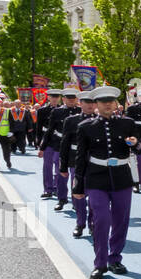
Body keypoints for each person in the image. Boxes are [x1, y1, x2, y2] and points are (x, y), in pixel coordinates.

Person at [71, 86, 141, 279]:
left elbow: (140, 147)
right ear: (96, 105)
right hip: (96, 178)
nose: (108, 104)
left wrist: (135, 143)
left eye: (111, 101)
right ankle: (100, 263)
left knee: (121, 220)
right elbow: (80, 158)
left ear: (116, 103)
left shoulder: (127, 123)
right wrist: (78, 187)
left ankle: (115, 258)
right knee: (102, 220)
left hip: (121, 177)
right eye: (104, 102)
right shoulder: (86, 126)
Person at [59, 91, 97, 237]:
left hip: (96, 163)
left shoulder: (101, 120)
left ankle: (93, 223)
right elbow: (65, 143)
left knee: (94, 195)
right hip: (77, 161)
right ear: (80, 103)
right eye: (86, 102)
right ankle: (80, 223)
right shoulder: (71, 120)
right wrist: (63, 166)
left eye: (92, 102)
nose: (90, 105)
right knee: (78, 193)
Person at [44, 88, 79, 207]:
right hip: (60, 146)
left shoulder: (80, 111)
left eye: (73, 99)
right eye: (68, 99)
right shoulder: (57, 112)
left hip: (76, 148)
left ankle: (76, 201)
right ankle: (62, 199)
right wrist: (43, 147)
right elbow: (50, 129)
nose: (71, 101)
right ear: (63, 99)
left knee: (76, 176)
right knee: (60, 174)